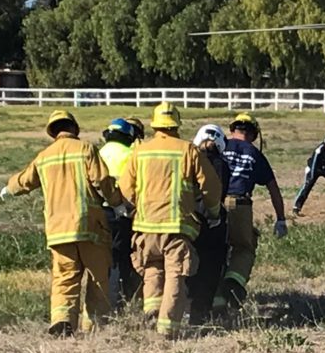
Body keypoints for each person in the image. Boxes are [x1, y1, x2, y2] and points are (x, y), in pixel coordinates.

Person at [0, 110, 128, 337]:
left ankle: (62, 320)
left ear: (53, 132)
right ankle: (95, 327)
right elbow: (102, 180)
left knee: (64, 278)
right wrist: (117, 203)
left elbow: (24, 180)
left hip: (58, 230)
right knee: (98, 278)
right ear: (74, 128)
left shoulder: (44, 156)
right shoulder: (86, 149)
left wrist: (9, 189)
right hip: (90, 227)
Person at [119, 102, 222, 338]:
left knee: (153, 268)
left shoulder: (139, 151)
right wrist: (213, 212)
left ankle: (152, 309)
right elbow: (211, 187)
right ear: (176, 124)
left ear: (155, 125)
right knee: (175, 272)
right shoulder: (188, 150)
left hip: (145, 226)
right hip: (177, 227)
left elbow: (125, 190)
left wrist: (134, 209)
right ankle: (167, 329)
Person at [215, 113, 287, 311]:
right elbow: (273, 188)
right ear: (254, 134)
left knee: (215, 251)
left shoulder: (221, 146)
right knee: (244, 247)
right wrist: (280, 219)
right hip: (240, 205)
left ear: (232, 129)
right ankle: (234, 283)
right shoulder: (255, 154)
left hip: (215, 204)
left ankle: (216, 299)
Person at [187, 124, 230, 324]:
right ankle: (202, 309)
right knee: (212, 266)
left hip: (190, 218)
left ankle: (184, 303)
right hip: (213, 219)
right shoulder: (223, 165)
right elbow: (220, 194)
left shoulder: (189, 160)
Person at [99, 118, 140, 308]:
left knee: (103, 257)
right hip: (123, 213)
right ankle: (121, 300)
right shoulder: (131, 154)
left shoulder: (99, 153)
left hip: (100, 212)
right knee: (122, 256)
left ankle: (101, 300)